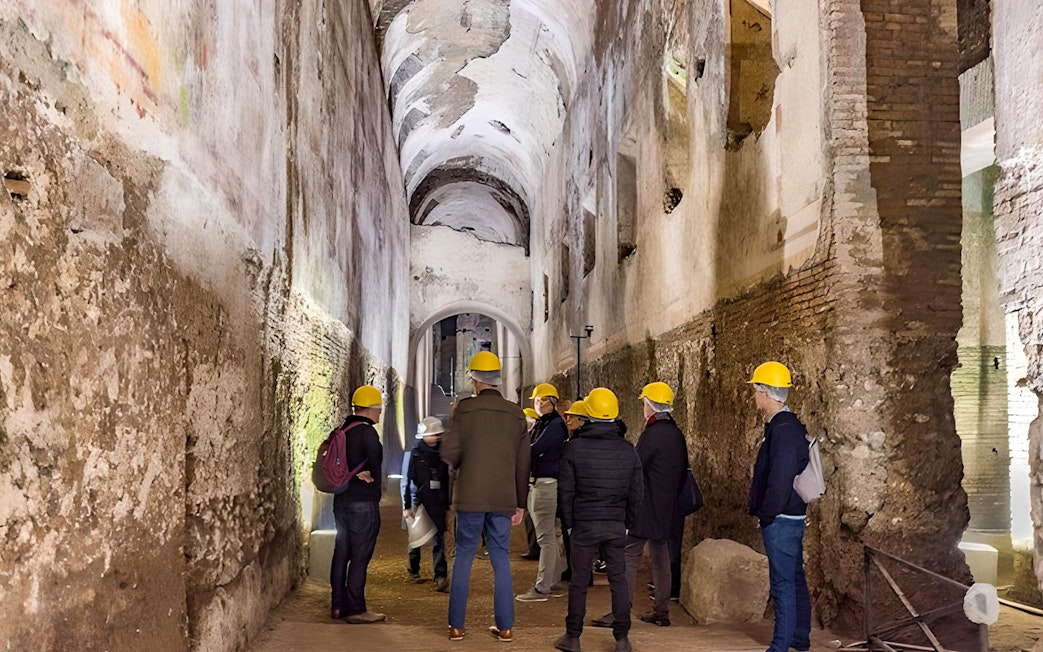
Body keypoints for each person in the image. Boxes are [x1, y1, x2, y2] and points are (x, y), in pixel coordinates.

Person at [440, 351, 530, 642]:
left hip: (471, 497)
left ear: (476, 380)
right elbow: (522, 462)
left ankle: (456, 626)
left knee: (464, 556)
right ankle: (505, 627)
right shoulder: (517, 413)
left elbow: (449, 453)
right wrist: (519, 502)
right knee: (501, 557)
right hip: (503, 497)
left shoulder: (464, 410)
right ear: (497, 381)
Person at [554, 388, 643, 652]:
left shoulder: (574, 448)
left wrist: (569, 523)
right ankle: (622, 639)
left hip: (584, 524)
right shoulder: (628, 450)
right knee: (619, 581)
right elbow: (637, 492)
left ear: (589, 414)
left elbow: (566, 490)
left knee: (579, 582)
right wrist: (628, 522)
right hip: (615, 524)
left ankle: (572, 637)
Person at [747, 361, 812, 652]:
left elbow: (780, 477)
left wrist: (767, 513)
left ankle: (780, 645)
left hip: (782, 517)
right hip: (790, 514)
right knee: (794, 576)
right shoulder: (786, 425)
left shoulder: (783, 429)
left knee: (783, 583)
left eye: (756, 389)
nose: (754, 395)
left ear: (766, 393)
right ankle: (799, 637)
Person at [623, 381, 688, 627]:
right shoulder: (676, 434)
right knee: (661, 556)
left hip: (646, 507)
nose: (643, 407)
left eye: (644, 403)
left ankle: (622, 610)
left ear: (650, 406)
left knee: (629, 553)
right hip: (668, 507)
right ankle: (662, 611)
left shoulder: (653, 433)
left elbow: (637, 466)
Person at [330, 385, 386, 623]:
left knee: (342, 552)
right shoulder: (367, 432)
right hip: (363, 503)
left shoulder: (342, 428)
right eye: (379, 409)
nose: (380, 414)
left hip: (341, 501)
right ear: (370, 409)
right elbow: (376, 462)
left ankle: (338, 605)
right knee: (360, 555)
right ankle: (356, 609)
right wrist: (370, 473)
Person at [516, 383, 569, 602]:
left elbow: (535, 450)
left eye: (539, 401)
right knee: (552, 534)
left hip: (545, 485)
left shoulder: (554, 425)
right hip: (545, 483)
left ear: (549, 402)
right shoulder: (547, 424)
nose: (537, 405)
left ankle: (542, 587)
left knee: (545, 537)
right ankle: (553, 580)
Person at [402, 416, 451, 592]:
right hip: (420, 499)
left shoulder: (443, 455)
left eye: (435, 435)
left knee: (438, 539)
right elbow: (408, 480)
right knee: (416, 537)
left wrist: (448, 503)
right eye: (430, 435)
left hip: (437, 500)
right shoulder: (415, 454)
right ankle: (414, 567)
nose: (433, 438)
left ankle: (440, 575)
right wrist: (407, 505)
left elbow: (447, 480)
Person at [522, 407, 541, 561]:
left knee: (534, 516)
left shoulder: (535, 437)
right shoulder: (529, 436)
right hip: (530, 481)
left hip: (534, 481)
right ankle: (533, 547)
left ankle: (536, 549)